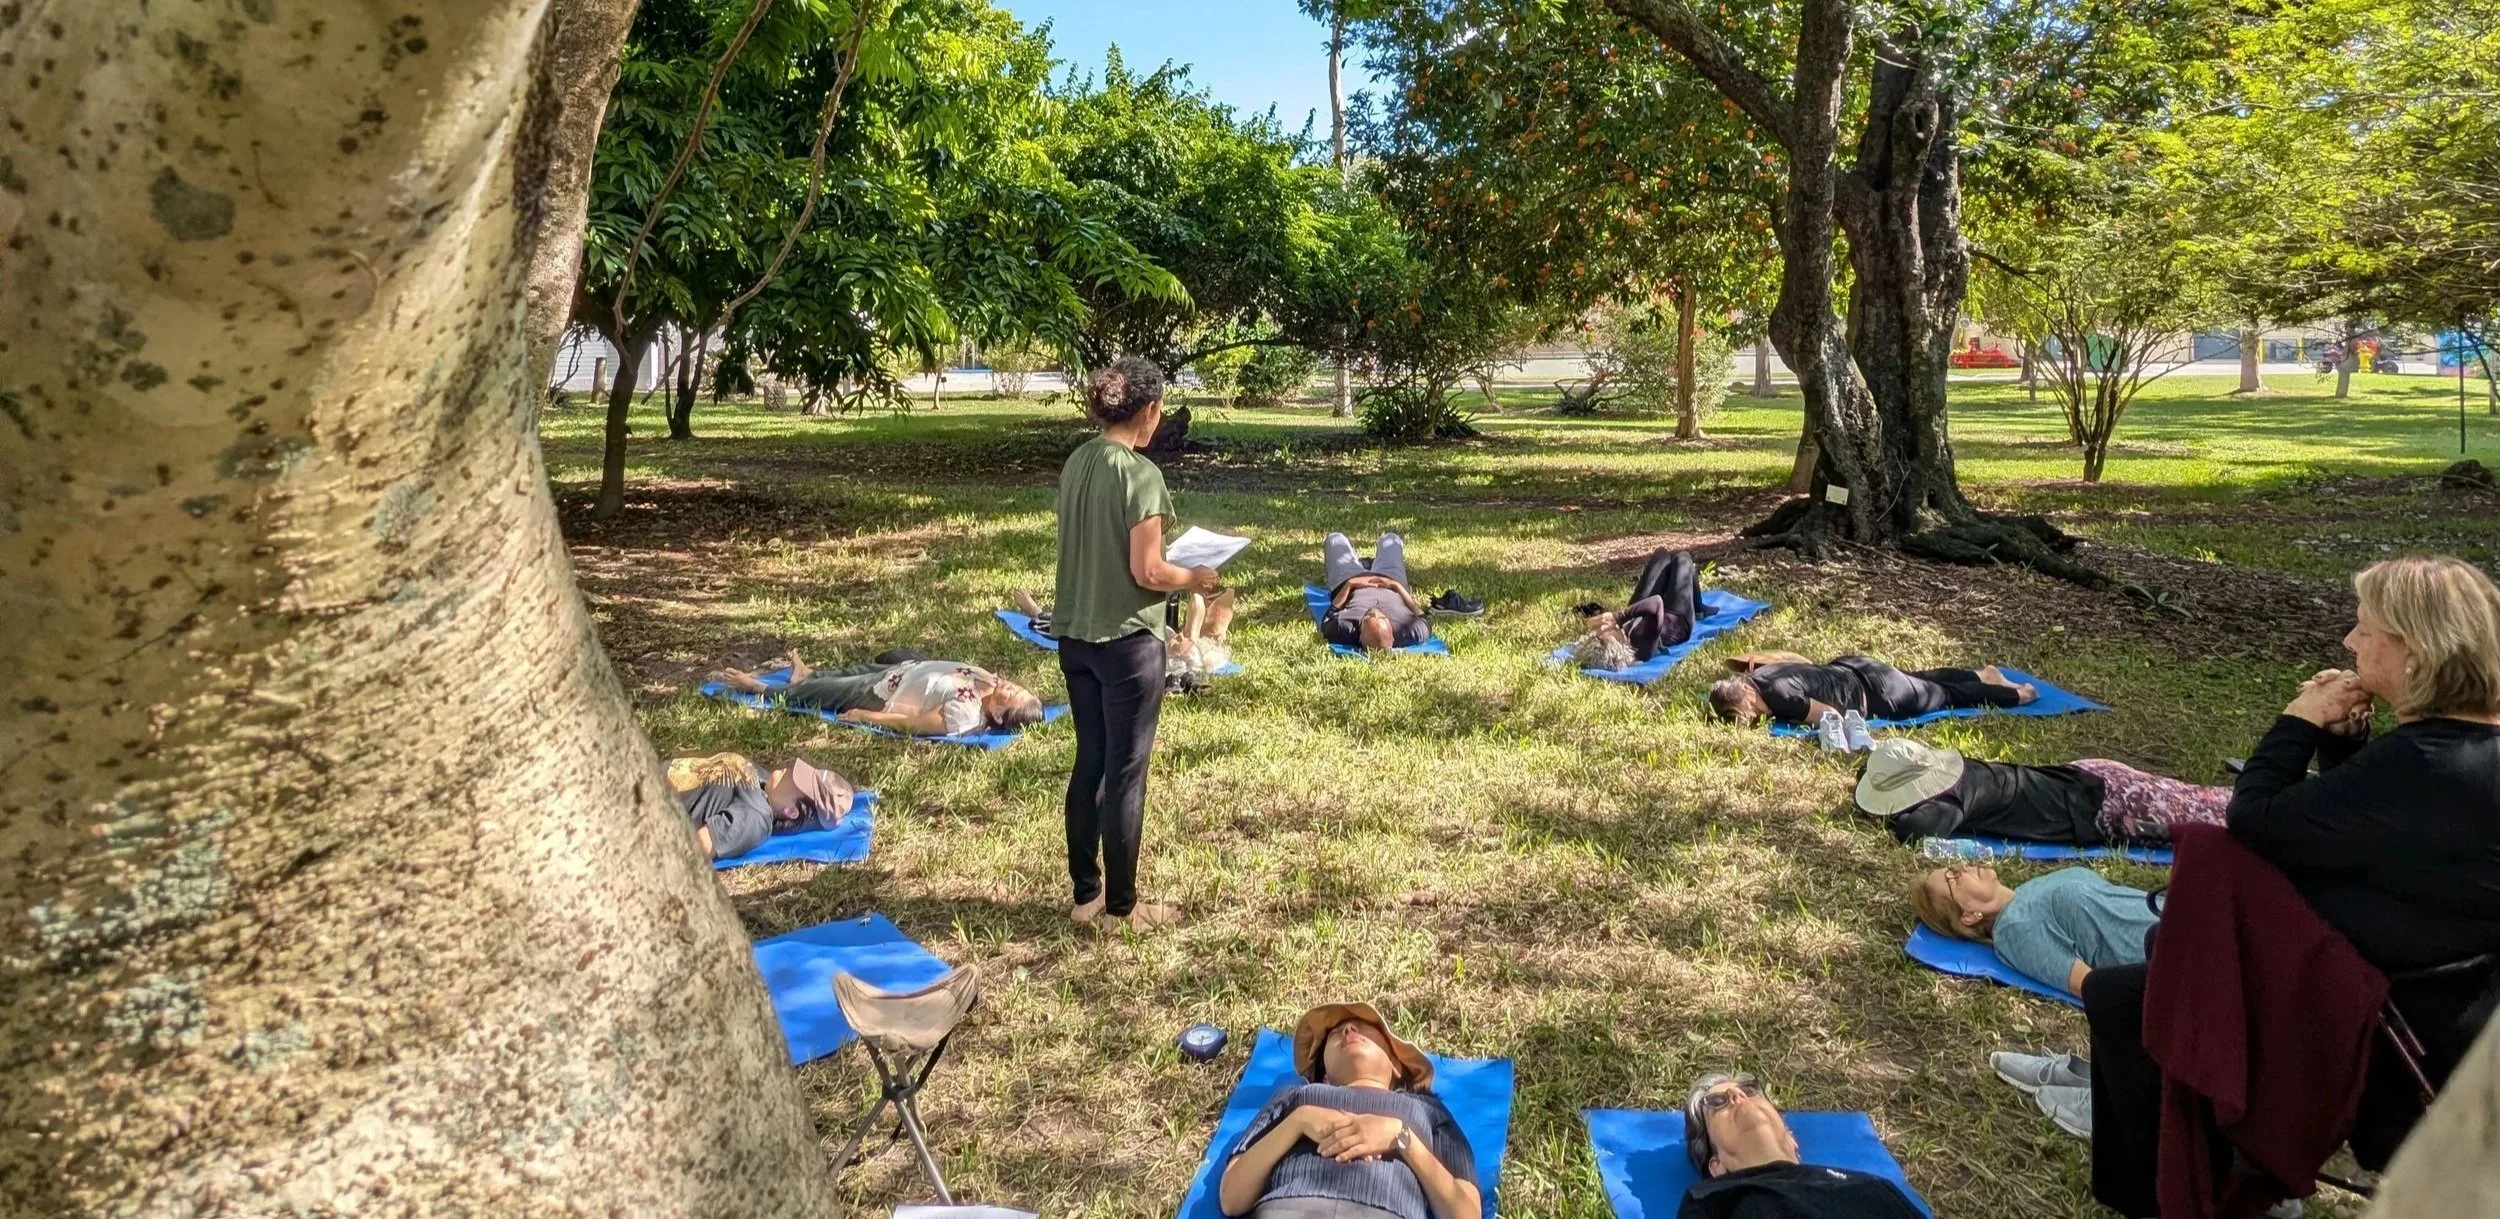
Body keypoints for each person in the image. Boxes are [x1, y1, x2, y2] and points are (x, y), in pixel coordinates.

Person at [2081, 555, 2500, 1216]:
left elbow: (2255, 819)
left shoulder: (2424, 761)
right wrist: (2343, 750)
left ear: (2416, 653)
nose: (2349, 642)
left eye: (2365, 630)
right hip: (2449, 1007)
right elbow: (2362, 838)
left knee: (2141, 989)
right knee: (2143, 981)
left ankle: (2176, 1197)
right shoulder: (2466, 754)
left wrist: (2298, 720)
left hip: (2386, 1036)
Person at [1052, 356, 1220, 930]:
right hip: (1126, 644)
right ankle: (1122, 908)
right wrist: (1196, 578)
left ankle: (1085, 896)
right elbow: (1149, 571)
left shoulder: (1078, 461)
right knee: (1126, 773)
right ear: (1148, 412)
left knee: (1090, 763)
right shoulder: (1140, 474)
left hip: (1074, 638)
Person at [1218, 1002, 1482, 1219]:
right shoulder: (1294, 1097)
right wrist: (1299, 1120)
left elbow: (1466, 1214)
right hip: (1286, 1209)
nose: (1348, 1030)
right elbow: (1232, 1198)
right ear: (1324, 1077)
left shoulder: (1428, 1109)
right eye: (1335, 1034)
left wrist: (1401, 1136)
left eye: (1366, 1029)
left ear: (1396, 1064)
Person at [1853, 739, 2238, 848]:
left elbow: (1913, 831)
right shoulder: (1963, 774)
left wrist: (1883, 806)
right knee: (2199, 797)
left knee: (2223, 817)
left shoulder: (1951, 802)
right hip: (2089, 775)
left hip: (2102, 805)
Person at [1676, 1072, 1925, 1218]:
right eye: (1717, 1102)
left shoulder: (1872, 1186)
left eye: (1749, 1091)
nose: (1737, 1096)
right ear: (1717, 1166)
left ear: (1791, 1136)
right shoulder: (1713, 1201)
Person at [1912, 863, 2158, 999]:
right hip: (2173, 953)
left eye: (1955, 866)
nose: (1963, 867)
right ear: (1968, 915)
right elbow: (2090, 986)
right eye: (1953, 878)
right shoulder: (2014, 931)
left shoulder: (2028, 890)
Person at [713, 650, 1042, 737]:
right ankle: (806, 674)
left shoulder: (966, 716)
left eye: (1013, 696)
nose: (1011, 687)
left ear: (1000, 715)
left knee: (821, 693)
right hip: (898, 673)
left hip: (882, 696)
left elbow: (912, 723)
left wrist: (866, 716)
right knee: (841, 674)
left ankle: (761, 688)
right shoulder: (989, 682)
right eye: (1019, 688)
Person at [1708, 653, 2038, 733]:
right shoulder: (1759, 675)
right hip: (1856, 666)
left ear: (1747, 700)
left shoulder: (1782, 699)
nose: (1757, 720)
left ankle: (2019, 695)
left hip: (1879, 694)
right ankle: (1984, 675)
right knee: (1924, 681)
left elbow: (1832, 718)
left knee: (1947, 695)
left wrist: (1795, 719)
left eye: (1750, 716)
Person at [1013, 586, 1237, 688]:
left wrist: (1034, 610)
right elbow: (1196, 606)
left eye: (1180, 642)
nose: (1178, 636)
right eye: (1183, 637)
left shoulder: (1158, 654)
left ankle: (1034, 609)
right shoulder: (1169, 637)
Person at [661, 752, 853, 862]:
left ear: (792, 811)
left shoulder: (755, 818)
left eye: (797, 780)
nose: (790, 770)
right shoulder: (766, 783)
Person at [1568, 548, 1702, 672]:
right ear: (1619, 643)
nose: (1605, 629)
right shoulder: (1641, 644)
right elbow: (1656, 603)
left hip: (1640, 616)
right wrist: (1618, 616)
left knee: (1661, 555)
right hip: (1675, 619)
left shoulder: (1623, 633)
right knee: (1681, 559)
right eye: (1608, 632)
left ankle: (1693, 601)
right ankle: (1699, 608)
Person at [1321, 532, 1435, 653]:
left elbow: (1329, 615)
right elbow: (1422, 616)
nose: (1375, 612)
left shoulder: (1343, 628)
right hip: (1390, 578)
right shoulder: (1411, 631)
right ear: (1392, 636)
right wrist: (1396, 585)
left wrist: (1351, 584)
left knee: (1335, 539)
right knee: (1391, 539)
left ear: (1360, 636)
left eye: (1367, 618)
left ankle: (1365, 565)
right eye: (1383, 618)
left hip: (1350, 578)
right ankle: (1369, 564)